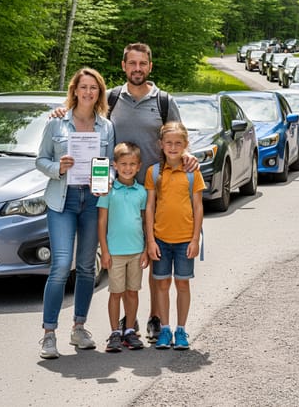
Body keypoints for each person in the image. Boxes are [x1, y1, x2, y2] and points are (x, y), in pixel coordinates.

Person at [49, 42, 197, 343]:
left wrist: (188, 157)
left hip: (156, 193)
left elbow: (177, 138)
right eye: (132, 63)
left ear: (150, 67)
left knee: (156, 262)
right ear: (124, 65)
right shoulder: (114, 99)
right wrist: (63, 110)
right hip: (117, 194)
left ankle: (157, 321)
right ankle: (127, 323)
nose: (137, 69)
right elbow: (87, 118)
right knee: (123, 254)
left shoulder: (165, 101)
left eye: (143, 64)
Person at [36, 68, 115, 359]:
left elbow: (110, 165)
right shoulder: (57, 124)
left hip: (92, 201)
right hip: (62, 200)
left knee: (86, 267)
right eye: (84, 87)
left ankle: (79, 327)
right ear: (74, 90)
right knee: (60, 266)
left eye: (94, 88)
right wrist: (58, 168)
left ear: (100, 93)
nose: (88, 92)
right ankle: (48, 333)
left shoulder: (106, 127)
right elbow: (41, 160)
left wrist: (107, 179)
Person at [145, 122, 204, 351]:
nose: (173, 147)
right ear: (161, 145)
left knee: (182, 283)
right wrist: (150, 240)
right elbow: (150, 206)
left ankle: (181, 329)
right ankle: (165, 329)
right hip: (160, 239)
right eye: (168, 143)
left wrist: (195, 239)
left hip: (184, 240)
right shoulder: (154, 172)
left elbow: (198, 207)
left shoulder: (192, 172)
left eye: (178, 143)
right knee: (161, 284)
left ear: (185, 145)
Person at [97, 142, 148, 352]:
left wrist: (145, 249)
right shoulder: (108, 191)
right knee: (115, 293)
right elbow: (101, 222)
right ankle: (114, 332)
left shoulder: (142, 192)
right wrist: (105, 251)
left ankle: (129, 330)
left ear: (139, 166)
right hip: (115, 253)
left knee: (133, 292)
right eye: (123, 164)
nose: (128, 168)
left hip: (136, 251)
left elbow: (145, 221)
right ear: (115, 166)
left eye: (132, 164)